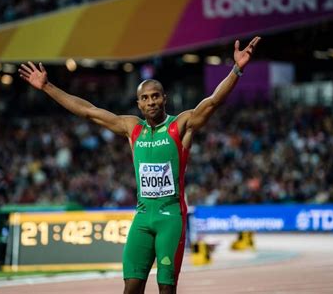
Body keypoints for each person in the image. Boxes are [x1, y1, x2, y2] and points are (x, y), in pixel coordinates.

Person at [19, 36, 261, 294]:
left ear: (164, 98)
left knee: (166, 289)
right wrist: (47, 87)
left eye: (155, 96)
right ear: (139, 103)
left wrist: (236, 69)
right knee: (131, 288)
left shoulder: (180, 126)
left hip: (171, 218)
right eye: (145, 98)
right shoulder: (132, 128)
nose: (151, 102)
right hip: (143, 218)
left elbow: (213, 101)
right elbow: (88, 110)